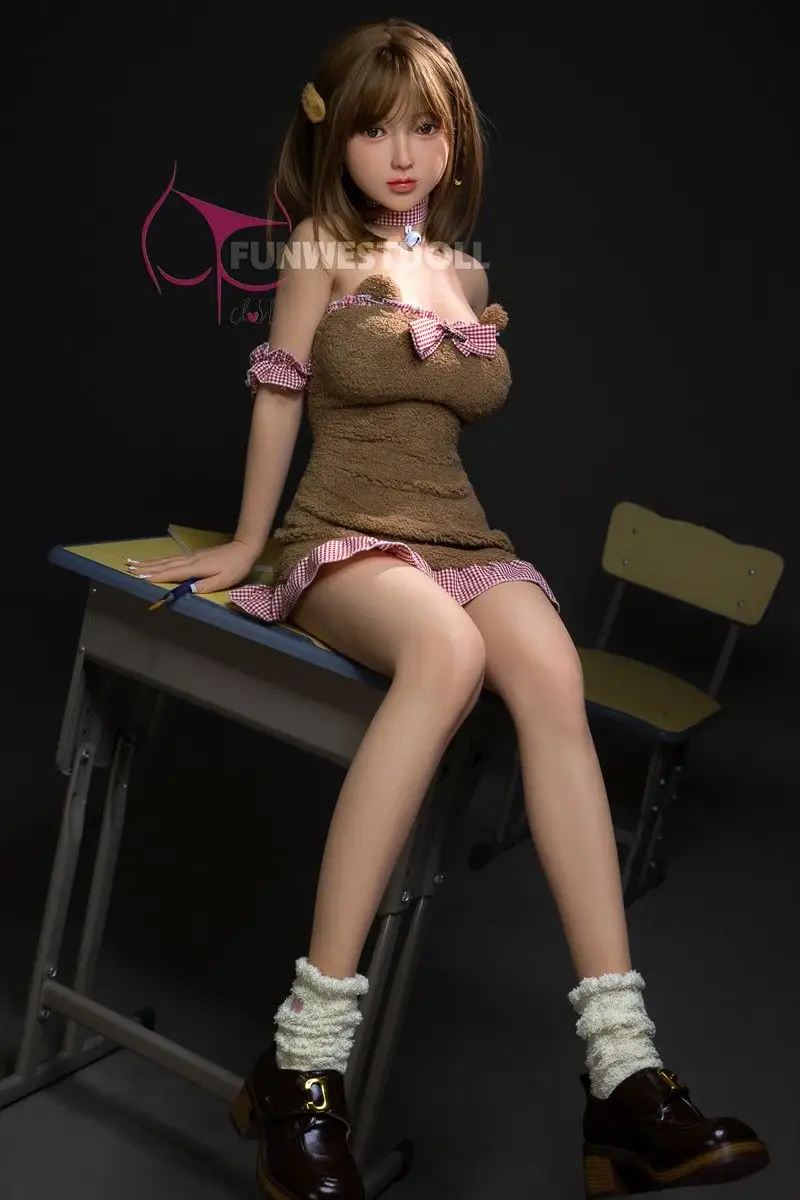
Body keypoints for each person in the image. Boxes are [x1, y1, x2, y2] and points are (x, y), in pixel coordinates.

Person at [131, 19, 769, 1200]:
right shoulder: (318, 248)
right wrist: (246, 543)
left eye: (423, 128)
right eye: (373, 128)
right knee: (442, 657)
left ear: (455, 139)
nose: (400, 154)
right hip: (341, 530)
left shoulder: (467, 278)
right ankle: (303, 1064)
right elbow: (279, 396)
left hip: (459, 538)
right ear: (333, 138)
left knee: (550, 675)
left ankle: (623, 1080)